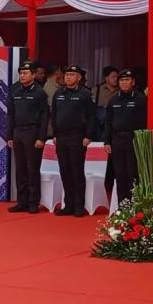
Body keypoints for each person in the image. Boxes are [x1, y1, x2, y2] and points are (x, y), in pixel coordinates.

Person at [51, 65, 96, 217]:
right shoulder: (58, 93)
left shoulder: (84, 94)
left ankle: (79, 205)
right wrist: (55, 134)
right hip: (61, 137)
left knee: (77, 171)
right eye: (67, 74)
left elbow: (92, 116)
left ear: (79, 78)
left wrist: (88, 136)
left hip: (78, 136)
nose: (68, 77)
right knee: (65, 170)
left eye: (72, 75)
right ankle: (68, 204)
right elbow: (54, 115)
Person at [7, 61, 50, 214]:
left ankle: (33, 202)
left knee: (32, 169)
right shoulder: (16, 91)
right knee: (20, 169)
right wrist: (10, 136)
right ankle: (21, 201)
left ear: (33, 75)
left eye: (25, 73)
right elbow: (10, 115)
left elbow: (45, 117)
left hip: (33, 132)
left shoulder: (39, 92)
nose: (22, 76)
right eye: (21, 73)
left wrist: (41, 138)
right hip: (18, 132)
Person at [102, 69, 147, 203]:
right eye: (122, 80)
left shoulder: (140, 99)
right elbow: (108, 122)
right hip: (117, 140)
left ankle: (135, 206)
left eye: (127, 80)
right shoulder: (114, 99)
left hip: (134, 139)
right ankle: (123, 207)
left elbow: (145, 121)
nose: (124, 83)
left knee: (133, 174)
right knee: (120, 174)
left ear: (133, 82)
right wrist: (107, 141)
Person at [95, 66, 119, 196]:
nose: (116, 79)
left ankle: (112, 183)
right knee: (101, 157)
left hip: (114, 128)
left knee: (114, 158)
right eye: (113, 77)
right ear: (106, 78)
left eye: (117, 77)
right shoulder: (97, 90)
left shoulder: (121, 91)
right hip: (100, 129)